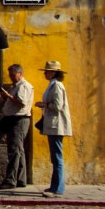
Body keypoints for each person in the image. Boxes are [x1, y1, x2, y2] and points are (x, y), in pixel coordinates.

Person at [35, 61, 72, 197]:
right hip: (52, 125)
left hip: (57, 125)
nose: (45, 73)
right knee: (55, 157)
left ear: (54, 72)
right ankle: (54, 186)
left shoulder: (57, 86)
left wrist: (43, 104)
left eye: (47, 71)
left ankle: (57, 189)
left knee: (57, 157)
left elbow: (57, 106)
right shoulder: (52, 85)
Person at [0, 64, 34, 190]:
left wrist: (8, 96)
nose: (11, 77)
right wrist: (1, 96)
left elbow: (21, 103)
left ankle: (10, 180)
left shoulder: (24, 86)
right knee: (19, 150)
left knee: (14, 150)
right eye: (10, 75)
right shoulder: (15, 86)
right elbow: (9, 102)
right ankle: (21, 179)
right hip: (13, 119)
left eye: (13, 75)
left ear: (20, 73)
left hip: (19, 120)